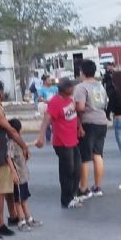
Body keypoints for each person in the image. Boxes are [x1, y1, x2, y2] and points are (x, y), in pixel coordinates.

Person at [0, 81, 30, 235]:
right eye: (2, 90)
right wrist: (23, 146)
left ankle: (13, 215)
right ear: (0, 92)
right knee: (2, 190)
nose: (4, 93)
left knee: (9, 188)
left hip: (2, 150)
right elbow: (10, 130)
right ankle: (0, 224)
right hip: (0, 153)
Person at [36, 79, 84, 209]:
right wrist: (41, 137)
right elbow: (46, 120)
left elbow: (75, 115)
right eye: (71, 87)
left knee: (77, 169)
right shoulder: (55, 102)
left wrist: (80, 127)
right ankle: (66, 199)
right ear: (65, 89)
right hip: (62, 142)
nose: (73, 89)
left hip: (73, 140)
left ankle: (73, 194)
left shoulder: (70, 99)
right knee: (67, 171)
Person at [74, 59, 109, 197]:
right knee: (98, 155)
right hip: (102, 121)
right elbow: (104, 103)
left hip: (88, 123)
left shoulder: (81, 87)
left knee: (85, 157)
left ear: (82, 72)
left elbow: (81, 107)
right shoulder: (100, 86)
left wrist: (73, 106)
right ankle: (97, 186)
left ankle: (83, 188)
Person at [7, 118, 41, 230]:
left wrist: (27, 154)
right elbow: (8, 157)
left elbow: (24, 152)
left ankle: (29, 218)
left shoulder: (19, 141)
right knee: (18, 200)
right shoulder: (11, 143)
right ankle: (21, 220)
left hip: (23, 175)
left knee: (24, 198)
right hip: (18, 176)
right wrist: (13, 172)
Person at [37, 75, 58, 143]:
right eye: (48, 80)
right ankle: (48, 138)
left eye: (50, 79)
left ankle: (57, 137)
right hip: (47, 108)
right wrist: (46, 101)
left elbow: (59, 95)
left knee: (56, 123)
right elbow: (39, 98)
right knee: (48, 123)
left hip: (55, 108)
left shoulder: (55, 88)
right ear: (44, 81)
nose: (50, 81)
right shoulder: (42, 89)